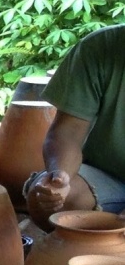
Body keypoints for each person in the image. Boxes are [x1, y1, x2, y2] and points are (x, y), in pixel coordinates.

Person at [26, 23, 125, 228]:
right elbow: (67, 132)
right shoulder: (99, 47)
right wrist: (60, 175)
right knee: (48, 202)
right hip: (109, 176)